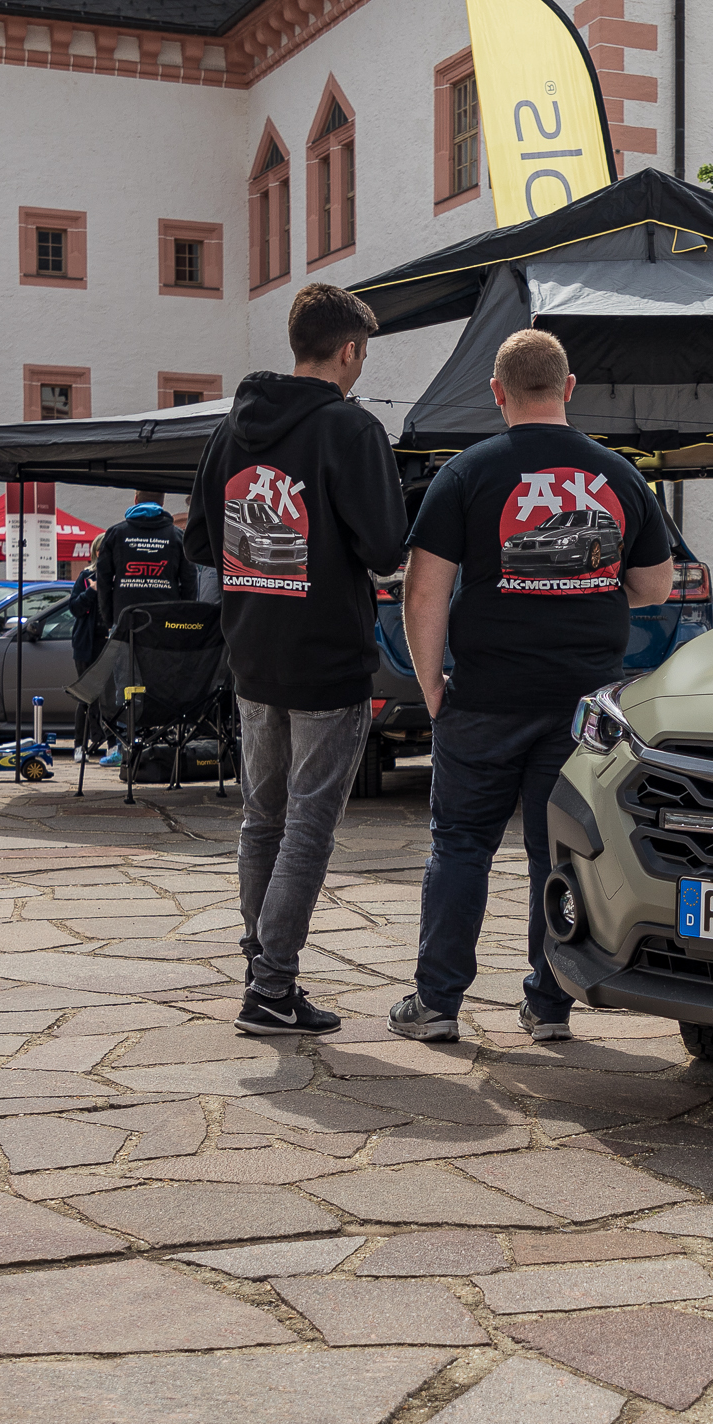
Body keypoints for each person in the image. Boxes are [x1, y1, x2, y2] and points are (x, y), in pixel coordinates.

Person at [388, 328, 673, 1044]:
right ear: (569, 388)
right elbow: (654, 586)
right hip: (582, 703)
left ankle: (437, 1004)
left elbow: (423, 591)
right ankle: (549, 1007)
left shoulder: (466, 473)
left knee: (461, 845)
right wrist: (586, 588)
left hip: (484, 696)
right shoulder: (620, 475)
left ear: (498, 393)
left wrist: (429, 684)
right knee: (561, 853)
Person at [185, 283, 408, 1036]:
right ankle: (272, 988)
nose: (360, 367)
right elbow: (385, 548)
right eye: (362, 355)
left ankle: (262, 966)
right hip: (326, 657)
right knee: (308, 826)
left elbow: (200, 541)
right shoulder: (351, 427)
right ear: (348, 350)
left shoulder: (231, 429)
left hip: (252, 650)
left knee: (262, 820)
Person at [96, 493, 196, 627]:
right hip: (166, 621)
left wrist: (110, 618)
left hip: (125, 620)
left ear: (136, 500)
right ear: (162, 503)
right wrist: (183, 619)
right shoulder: (177, 536)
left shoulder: (116, 534)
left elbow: (103, 580)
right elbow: (189, 582)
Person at [66, 534, 109, 757]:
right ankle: (79, 745)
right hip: (86, 644)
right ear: (95, 552)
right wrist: (91, 591)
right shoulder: (86, 576)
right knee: (85, 696)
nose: (104, 554)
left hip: (109, 643)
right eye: (101, 550)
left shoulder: (118, 577)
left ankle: (111, 743)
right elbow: (74, 608)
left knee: (109, 697)